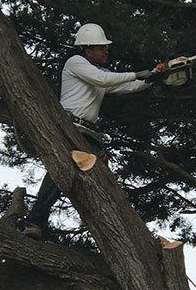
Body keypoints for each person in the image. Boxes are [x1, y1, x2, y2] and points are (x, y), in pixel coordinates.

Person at [24, 22, 161, 239]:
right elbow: (104, 79)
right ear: (88, 49)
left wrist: (153, 77)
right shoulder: (75, 63)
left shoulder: (98, 73)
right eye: (102, 47)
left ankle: (121, 234)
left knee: (102, 182)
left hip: (88, 134)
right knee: (59, 174)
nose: (106, 51)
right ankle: (35, 221)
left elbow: (125, 86)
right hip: (70, 128)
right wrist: (137, 73)